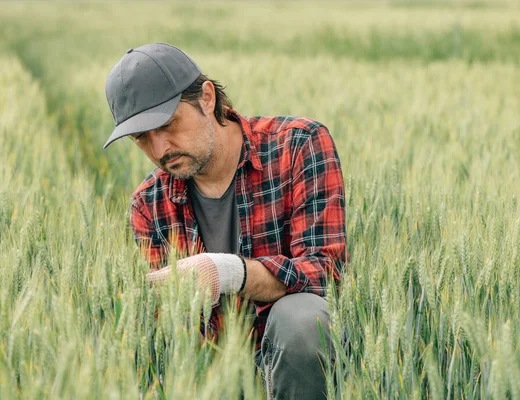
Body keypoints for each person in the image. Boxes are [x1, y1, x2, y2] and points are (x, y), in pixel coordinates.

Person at [103, 42, 347, 399]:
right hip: (213, 374)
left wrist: (229, 272)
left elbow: (326, 274)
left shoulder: (298, 145)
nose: (159, 150)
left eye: (168, 124)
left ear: (206, 98)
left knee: (301, 317)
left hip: (297, 369)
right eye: (141, 138)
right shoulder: (148, 205)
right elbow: (160, 327)